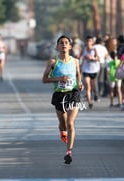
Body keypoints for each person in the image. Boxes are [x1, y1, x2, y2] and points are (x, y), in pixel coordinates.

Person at [42, 35, 84, 164]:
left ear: (70, 46)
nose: (64, 45)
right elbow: (44, 79)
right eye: (61, 43)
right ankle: (62, 131)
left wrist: (80, 83)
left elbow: (77, 74)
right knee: (63, 124)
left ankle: (69, 152)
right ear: (57, 46)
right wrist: (59, 79)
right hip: (60, 95)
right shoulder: (53, 62)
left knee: (71, 123)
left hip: (73, 93)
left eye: (66, 43)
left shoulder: (75, 61)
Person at [80, 35, 99, 109]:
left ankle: (93, 95)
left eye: (90, 41)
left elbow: (98, 58)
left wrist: (92, 58)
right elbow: (79, 57)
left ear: (92, 42)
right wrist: (83, 59)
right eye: (87, 41)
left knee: (92, 86)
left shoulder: (94, 49)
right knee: (88, 86)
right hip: (86, 70)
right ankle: (89, 102)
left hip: (94, 70)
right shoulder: (83, 49)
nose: (88, 42)